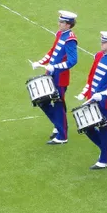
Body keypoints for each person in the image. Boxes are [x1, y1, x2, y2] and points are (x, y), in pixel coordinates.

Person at [76, 32, 107, 170]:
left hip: (105, 101)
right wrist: (85, 91)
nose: (102, 44)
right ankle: (106, 147)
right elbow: (92, 76)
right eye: (102, 41)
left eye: (105, 42)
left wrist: (102, 95)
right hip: (93, 98)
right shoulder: (98, 55)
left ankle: (105, 159)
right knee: (86, 126)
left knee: (104, 128)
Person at [32, 10, 78, 144]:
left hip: (60, 77)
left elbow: (72, 60)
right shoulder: (60, 34)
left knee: (58, 104)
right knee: (43, 101)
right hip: (51, 74)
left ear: (68, 25)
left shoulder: (70, 39)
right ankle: (59, 126)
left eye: (62, 22)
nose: (59, 23)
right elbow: (52, 52)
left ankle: (63, 135)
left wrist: (55, 67)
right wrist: (40, 62)